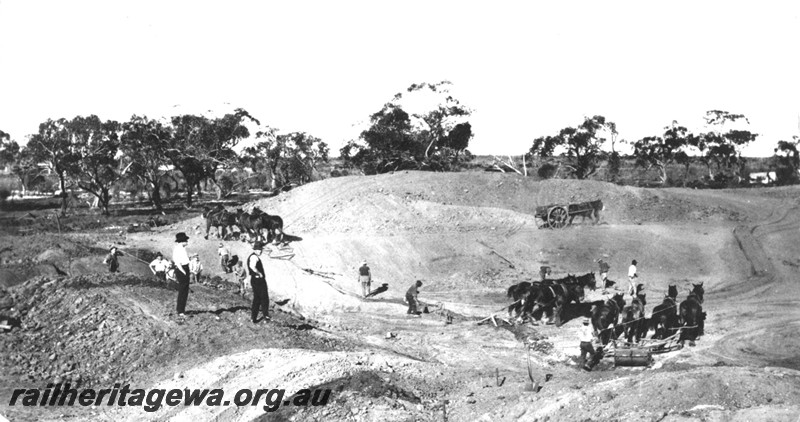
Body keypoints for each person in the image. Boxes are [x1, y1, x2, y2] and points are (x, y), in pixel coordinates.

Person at [248, 241, 270, 323]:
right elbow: (252, 267)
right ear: (256, 250)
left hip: (254, 280)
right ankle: (266, 316)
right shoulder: (254, 257)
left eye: (261, 250)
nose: (260, 251)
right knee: (264, 298)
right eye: (259, 250)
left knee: (256, 299)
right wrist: (259, 273)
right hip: (258, 280)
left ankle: (253, 318)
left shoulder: (253, 256)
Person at [173, 232, 191, 317]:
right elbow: (177, 262)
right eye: (186, 240)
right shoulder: (179, 249)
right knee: (183, 291)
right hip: (182, 269)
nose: (187, 241)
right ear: (182, 241)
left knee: (184, 290)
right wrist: (183, 272)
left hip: (184, 268)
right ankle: (180, 311)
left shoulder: (181, 248)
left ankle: (181, 310)